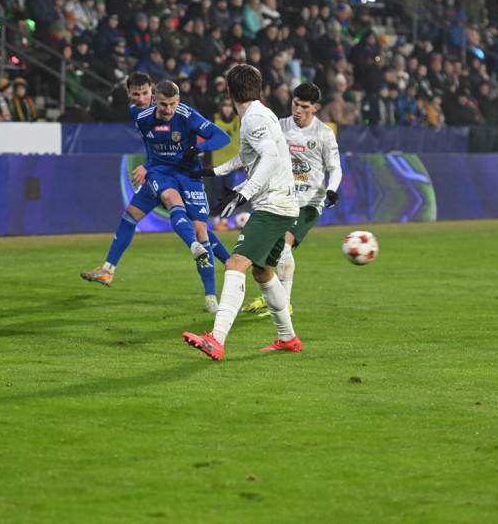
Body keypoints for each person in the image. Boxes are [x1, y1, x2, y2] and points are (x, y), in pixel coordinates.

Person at [80, 73, 233, 312]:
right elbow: (155, 151)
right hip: (160, 173)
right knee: (133, 214)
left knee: (200, 229)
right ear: (151, 100)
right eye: (137, 94)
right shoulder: (139, 116)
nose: (168, 109)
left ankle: (215, 287)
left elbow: (222, 137)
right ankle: (108, 269)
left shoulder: (185, 114)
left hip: (189, 176)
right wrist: (148, 166)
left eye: (172, 104)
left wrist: (198, 148)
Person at [184, 64, 302, 360]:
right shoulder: (259, 114)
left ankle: (216, 338)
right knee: (264, 273)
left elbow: (270, 157)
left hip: (273, 206)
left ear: (229, 91)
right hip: (282, 205)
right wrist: (212, 171)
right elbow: (248, 155)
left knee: (235, 263)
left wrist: (242, 193)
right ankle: (288, 338)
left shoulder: (254, 118)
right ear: (258, 89)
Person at [241, 82, 341, 317]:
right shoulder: (279, 127)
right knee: (262, 256)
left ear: (315, 108)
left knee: (284, 246)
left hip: (308, 203)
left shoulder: (324, 133)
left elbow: (335, 168)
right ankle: (270, 299)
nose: (297, 109)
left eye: (304, 106)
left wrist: (332, 190)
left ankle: (284, 304)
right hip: (279, 199)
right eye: (295, 104)